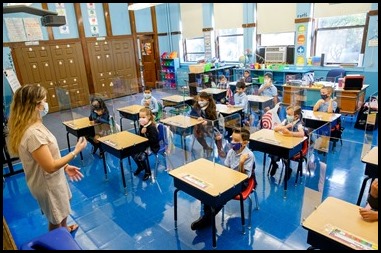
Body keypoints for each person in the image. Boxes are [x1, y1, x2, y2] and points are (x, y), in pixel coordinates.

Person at [7, 84, 88, 233]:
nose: (46, 104)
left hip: (54, 179)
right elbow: (49, 166)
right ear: (36, 105)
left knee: (61, 211)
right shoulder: (33, 134)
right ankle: (58, 238)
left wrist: (65, 166)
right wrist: (75, 151)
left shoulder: (34, 124)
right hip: (47, 184)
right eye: (44, 101)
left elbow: (47, 155)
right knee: (56, 217)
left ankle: (64, 229)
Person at [190, 127, 255, 230]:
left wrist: (242, 162)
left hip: (242, 183)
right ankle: (208, 216)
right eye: (232, 139)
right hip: (230, 179)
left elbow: (244, 177)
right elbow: (226, 168)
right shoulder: (231, 151)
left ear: (245, 143)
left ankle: (206, 220)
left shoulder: (249, 155)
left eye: (236, 141)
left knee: (221, 196)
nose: (233, 142)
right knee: (210, 189)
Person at [269, 105, 305, 179]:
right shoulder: (286, 121)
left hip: (293, 146)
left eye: (289, 115)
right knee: (272, 149)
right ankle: (274, 163)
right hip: (283, 143)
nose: (287, 116)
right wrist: (285, 127)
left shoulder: (299, 124)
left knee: (284, 153)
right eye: (286, 114)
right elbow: (275, 128)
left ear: (296, 116)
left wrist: (289, 133)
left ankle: (288, 169)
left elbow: (302, 134)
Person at [190, 92, 226, 158]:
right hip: (200, 127)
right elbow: (192, 115)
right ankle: (206, 147)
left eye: (202, 100)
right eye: (198, 100)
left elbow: (215, 121)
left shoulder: (213, 108)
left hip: (212, 126)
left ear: (207, 100)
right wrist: (198, 117)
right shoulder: (196, 107)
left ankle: (219, 149)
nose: (199, 102)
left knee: (217, 135)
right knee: (197, 133)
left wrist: (207, 122)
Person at [133, 108, 160, 181]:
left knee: (142, 156)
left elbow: (154, 140)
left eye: (143, 117)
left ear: (148, 117)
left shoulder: (152, 127)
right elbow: (140, 136)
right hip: (144, 144)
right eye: (140, 117)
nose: (141, 119)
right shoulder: (143, 125)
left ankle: (147, 172)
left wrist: (145, 134)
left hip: (152, 146)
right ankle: (140, 167)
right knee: (132, 152)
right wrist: (142, 132)